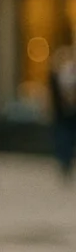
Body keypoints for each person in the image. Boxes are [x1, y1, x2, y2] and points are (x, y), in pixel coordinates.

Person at [52, 48, 76, 184]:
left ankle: (67, 162)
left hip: (71, 115)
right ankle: (64, 162)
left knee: (68, 139)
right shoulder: (55, 76)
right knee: (63, 140)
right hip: (61, 115)